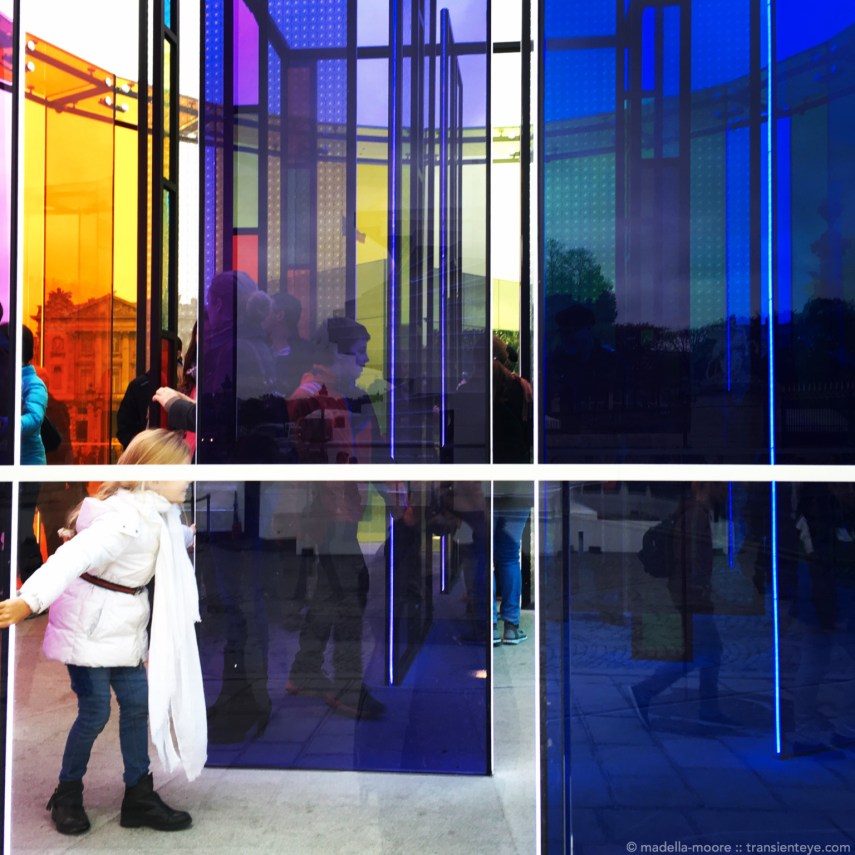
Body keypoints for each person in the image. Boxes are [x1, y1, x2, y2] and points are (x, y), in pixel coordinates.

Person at [0, 429, 205, 836]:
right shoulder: (124, 519)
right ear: (155, 474)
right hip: (88, 630)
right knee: (95, 712)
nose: (189, 478)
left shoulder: (158, 514)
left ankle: (138, 795)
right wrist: (29, 599)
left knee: (136, 705)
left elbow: (173, 538)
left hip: (123, 630)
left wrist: (198, 534)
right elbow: (74, 556)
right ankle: (68, 792)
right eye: (183, 470)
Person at [285, 316, 411, 718]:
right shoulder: (313, 399)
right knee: (349, 593)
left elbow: (360, 456)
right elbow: (347, 460)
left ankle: (305, 670)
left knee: (333, 591)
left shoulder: (333, 396)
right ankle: (346, 685)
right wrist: (396, 501)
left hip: (333, 513)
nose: (365, 360)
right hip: (328, 514)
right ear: (332, 355)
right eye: (358, 354)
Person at [628, 482, 733, 726]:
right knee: (705, 651)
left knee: (704, 651)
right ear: (706, 486)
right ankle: (647, 690)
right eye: (719, 484)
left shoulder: (692, 512)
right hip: (692, 595)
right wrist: (701, 590)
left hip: (688, 592)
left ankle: (707, 707)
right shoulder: (696, 515)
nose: (725, 490)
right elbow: (691, 559)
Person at [493, 482, 533, 645]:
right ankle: (511, 627)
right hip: (519, 492)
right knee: (509, 558)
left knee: (485, 556)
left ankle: (491, 627)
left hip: (489, 492)